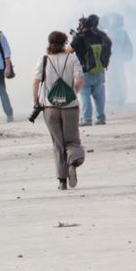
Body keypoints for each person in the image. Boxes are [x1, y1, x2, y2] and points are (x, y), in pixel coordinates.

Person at [32, 31, 85, 190]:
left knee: (58, 144)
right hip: (70, 107)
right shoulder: (72, 57)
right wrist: (73, 92)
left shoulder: (44, 59)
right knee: (72, 140)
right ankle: (73, 162)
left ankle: (62, 181)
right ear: (64, 43)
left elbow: (35, 81)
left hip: (50, 107)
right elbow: (80, 78)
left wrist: (35, 99)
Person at [70, 14, 112, 125]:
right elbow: (108, 45)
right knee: (99, 95)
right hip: (99, 69)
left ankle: (87, 119)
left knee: (84, 96)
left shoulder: (79, 38)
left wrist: (75, 38)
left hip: (85, 71)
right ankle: (100, 118)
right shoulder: (100, 35)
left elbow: (68, 51)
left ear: (83, 25)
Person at [103, 13, 133, 107]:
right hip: (118, 58)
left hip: (113, 58)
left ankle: (113, 98)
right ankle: (121, 97)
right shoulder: (122, 32)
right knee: (119, 77)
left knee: (112, 79)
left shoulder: (114, 32)